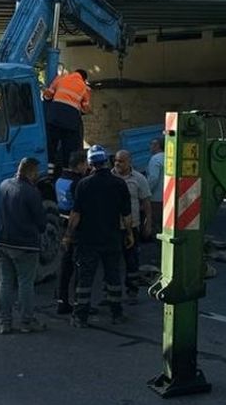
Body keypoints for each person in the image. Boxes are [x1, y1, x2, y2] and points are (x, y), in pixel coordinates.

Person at [63, 145, 131, 328]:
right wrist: (129, 234)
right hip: (111, 238)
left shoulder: (84, 184)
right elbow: (126, 216)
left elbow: (75, 215)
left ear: (91, 163)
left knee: (85, 279)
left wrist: (68, 236)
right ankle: (116, 314)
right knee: (113, 276)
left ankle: (80, 317)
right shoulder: (119, 184)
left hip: (88, 240)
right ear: (106, 161)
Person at [0, 157, 48, 335]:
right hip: (24, 245)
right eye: (36, 172)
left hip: (1, 241)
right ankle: (26, 321)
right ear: (31, 172)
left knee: (5, 282)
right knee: (25, 283)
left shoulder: (4, 185)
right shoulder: (31, 192)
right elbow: (41, 223)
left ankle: (4, 322)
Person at [113, 149, 151, 302]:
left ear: (129, 162)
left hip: (132, 226)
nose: (117, 163)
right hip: (113, 227)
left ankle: (132, 291)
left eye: (121, 161)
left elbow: (146, 202)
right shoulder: (109, 177)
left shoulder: (139, 179)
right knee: (112, 261)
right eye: (116, 160)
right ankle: (110, 293)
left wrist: (148, 223)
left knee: (132, 260)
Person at [53, 150, 87, 315]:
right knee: (78, 265)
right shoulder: (78, 183)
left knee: (64, 265)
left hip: (62, 223)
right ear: (80, 164)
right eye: (85, 163)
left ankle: (61, 299)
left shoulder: (59, 180)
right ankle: (77, 301)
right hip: (75, 228)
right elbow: (78, 210)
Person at [42, 68, 91, 172]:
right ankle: (67, 171)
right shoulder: (84, 87)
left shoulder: (61, 79)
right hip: (70, 120)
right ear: (84, 78)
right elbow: (85, 108)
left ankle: (49, 171)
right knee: (68, 147)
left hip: (54, 116)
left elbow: (48, 95)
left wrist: (48, 99)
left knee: (51, 144)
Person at [146, 137, 166, 237]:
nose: (150, 147)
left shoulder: (155, 159)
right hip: (166, 197)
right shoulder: (168, 157)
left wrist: (146, 193)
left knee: (155, 224)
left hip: (156, 198)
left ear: (157, 146)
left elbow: (153, 178)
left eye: (151, 144)